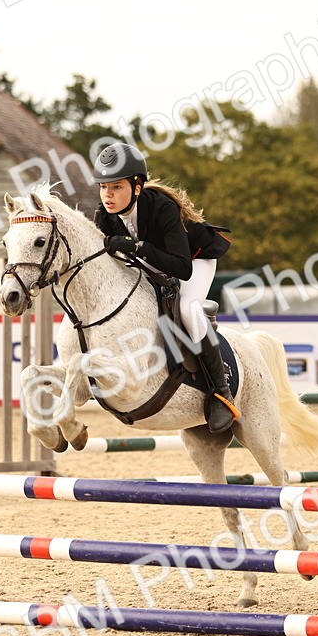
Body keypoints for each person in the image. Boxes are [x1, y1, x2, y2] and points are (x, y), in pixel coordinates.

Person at [91, 142, 236, 433]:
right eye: (104, 187)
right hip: (154, 265)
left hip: (195, 261)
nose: (108, 195)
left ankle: (221, 392)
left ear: (136, 188)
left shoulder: (162, 208)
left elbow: (180, 267)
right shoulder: (104, 217)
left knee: (187, 308)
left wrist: (138, 247)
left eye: (116, 187)